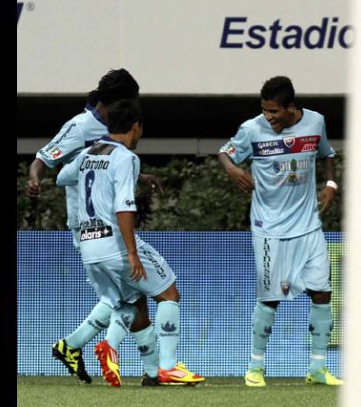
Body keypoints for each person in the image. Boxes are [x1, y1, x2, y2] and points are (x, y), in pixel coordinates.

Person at [25, 68, 162, 386]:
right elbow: (45, 158)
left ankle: (75, 347)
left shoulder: (110, 130)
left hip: (107, 223)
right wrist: (34, 178)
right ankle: (155, 370)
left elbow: (101, 166)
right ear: (115, 101)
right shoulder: (80, 126)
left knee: (124, 296)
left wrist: (140, 177)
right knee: (132, 294)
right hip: (91, 226)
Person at [56, 99, 205, 387]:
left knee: (132, 302)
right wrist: (132, 254)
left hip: (89, 247)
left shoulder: (88, 153)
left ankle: (146, 372)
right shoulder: (125, 157)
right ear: (136, 127)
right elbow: (125, 208)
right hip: (115, 244)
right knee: (169, 293)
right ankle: (168, 367)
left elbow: (63, 177)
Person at [218, 76, 343, 387]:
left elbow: (327, 154)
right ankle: (255, 368)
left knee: (322, 293)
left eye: (274, 111)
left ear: (291, 107)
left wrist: (330, 184)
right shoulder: (251, 130)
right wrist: (234, 169)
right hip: (269, 228)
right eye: (264, 110)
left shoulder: (315, 123)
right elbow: (225, 152)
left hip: (309, 225)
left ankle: (317, 367)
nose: (268, 117)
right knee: (270, 298)